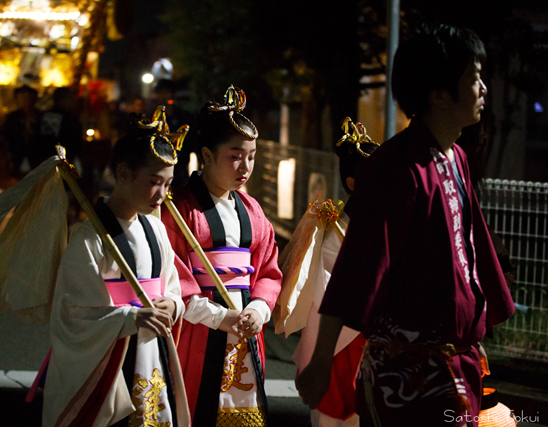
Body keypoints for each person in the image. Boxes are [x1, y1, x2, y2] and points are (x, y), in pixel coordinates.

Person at [296, 23, 515, 427]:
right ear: (439, 94)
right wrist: (321, 361)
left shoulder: (456, 159)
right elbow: (359, 268)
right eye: (475, 78)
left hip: (455, 367)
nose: (484, 88)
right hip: (408, 377)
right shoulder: (397, 168)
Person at [42, 107, 188, 427]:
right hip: (110, 362)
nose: (162, 195)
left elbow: (174, 287)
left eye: (168, 184)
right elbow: (72, 314)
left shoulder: (156, 228)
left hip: (151, 352)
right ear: (122, 174)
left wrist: (172, 304)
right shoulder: (89, 237)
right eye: (154, 182)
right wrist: (132, 316)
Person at [161, 86, 282, 426]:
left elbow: (268, 272)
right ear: (208, 155)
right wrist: (218, 317)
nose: (246, 166)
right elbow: (175, 277)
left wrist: (259, 308)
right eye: (235, 155)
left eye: (252, 156)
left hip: (245, 329)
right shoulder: (180, 208)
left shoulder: (252, 210)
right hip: (199, 330)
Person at [275, 119, 379, 427]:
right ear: (352, 184)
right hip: (344, 343)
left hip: (367, 338)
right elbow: (326, 298)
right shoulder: (335, 233)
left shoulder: (369, 229)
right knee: (339, 415)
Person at [1, 85, 42, 176]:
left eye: (29, 98)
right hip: (17, 157)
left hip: (36, 159)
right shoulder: (13, 117)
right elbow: (6, 136)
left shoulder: (41, 117)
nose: (26, 101)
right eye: (23, 98)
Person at [38, 87, 83, 169]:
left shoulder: (69, 116)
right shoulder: (53, 117)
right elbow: (48, 142)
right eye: (71, 98)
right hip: (58, 163)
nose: (73, 101)